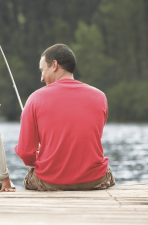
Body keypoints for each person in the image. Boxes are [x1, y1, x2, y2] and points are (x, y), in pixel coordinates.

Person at [14, 44, 115, 191]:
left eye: (43, 70)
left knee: (29, 178)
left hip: (51, 181)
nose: (41, 78)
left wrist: (40, 156)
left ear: (54, 65)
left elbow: (25, 153)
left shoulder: (35, 98)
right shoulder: (100, 96)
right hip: (94, 180)